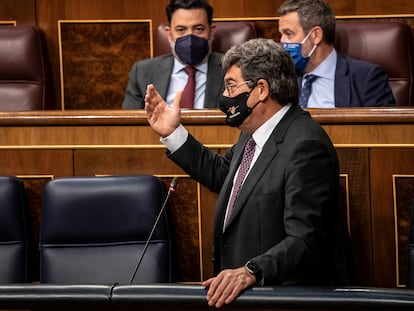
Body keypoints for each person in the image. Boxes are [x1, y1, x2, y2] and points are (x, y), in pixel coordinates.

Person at [144, 38, 349, 308]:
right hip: (245, 297)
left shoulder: (306, 146)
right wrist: (173, 133)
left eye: (231, 86)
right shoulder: (253, 134)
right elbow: (223, 176)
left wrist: (251, 270)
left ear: (261, 89)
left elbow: (305, 240)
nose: (225, 96)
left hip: (284, 299)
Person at [278, 0, 396, 108]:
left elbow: (381, 130)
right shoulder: (282, 77)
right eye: (282, 34)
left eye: (289, 34)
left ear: (316, 35)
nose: (282, 41)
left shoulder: (366, 78)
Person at [122, 0, 224, 109]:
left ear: (211, 32)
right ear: (169, 34)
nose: (189, 37)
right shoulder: (142, 72)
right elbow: (130, 123)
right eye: (181, 30)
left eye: (198, 29)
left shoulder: (230, 69)